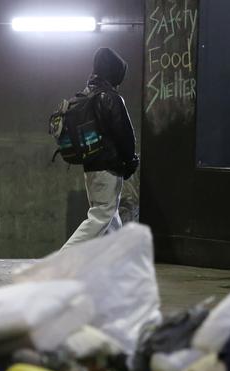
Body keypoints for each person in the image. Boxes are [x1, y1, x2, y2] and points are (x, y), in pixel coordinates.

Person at [61, 47, 139, 250]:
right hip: (108, 167)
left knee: (110, 218)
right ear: (113, 71)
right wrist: (130, 161)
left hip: (92, 167)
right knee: (101, 215)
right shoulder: (110, 98)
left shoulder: (88, 94)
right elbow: (124, 134)